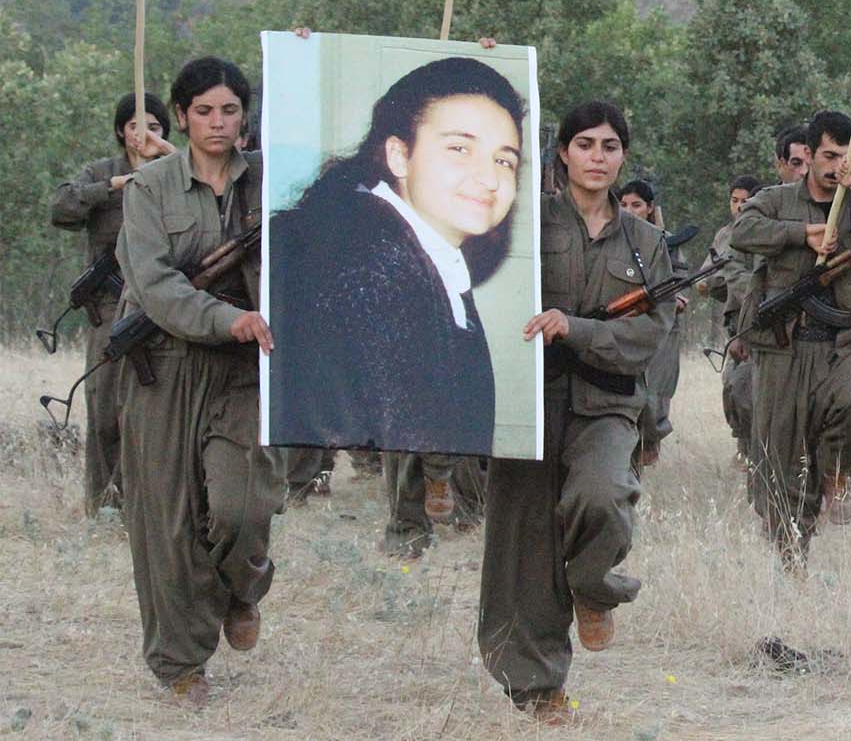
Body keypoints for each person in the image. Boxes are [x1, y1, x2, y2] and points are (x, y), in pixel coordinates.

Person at [477, 101, 671, 721]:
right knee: (524, 545)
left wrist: (577, 329)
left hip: (606, 401)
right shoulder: (522, 222)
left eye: (610, 146)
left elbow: (650, 334)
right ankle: (538, 687)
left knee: (604, 496)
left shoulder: (646, 243)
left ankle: (594, 587)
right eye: (585, 144)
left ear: (623, 156)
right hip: (529, 398)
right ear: (562, 153)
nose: (597, 157)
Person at [115, 57, 281, 706]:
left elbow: (340, 159)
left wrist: (306, 57)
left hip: (244, 368)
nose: (218, 123)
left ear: (244, 117)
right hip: (165, 365)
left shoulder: (270, 178)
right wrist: (224, 318)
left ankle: (241, 589)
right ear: (181, 116)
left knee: (245, 505)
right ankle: (181, 665)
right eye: (204, 111)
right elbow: (154, 283)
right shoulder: (149, 187)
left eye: (230, 110)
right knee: (168, 521)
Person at [269, 57, 528, 456]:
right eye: (460, 148)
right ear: (398, 155)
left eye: (503, 160)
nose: (490, 179)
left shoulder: (405, 247)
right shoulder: (371, 260)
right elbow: (401, 452)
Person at [731, 111, 851, 551]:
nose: (837, 166)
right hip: (785, 349)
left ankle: (837, 470)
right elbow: (743, 230)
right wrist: (802, 234)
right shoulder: (776, 200)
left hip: (848, 344)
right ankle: (791, 556)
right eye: (829, 156)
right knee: (781, 467)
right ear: (809, 155)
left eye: (846, 156)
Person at [50, 90, 172, 514]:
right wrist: (113, 187)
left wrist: (165, 162)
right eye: (136, 126)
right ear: (122, 131)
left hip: (162, 312)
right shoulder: (102, 172)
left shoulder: (175, 172)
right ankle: (104, 504)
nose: (144, 134)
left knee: (157, 415)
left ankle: (148, 506)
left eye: (154, 127)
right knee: (105, 410)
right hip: (109, 312)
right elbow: (61, 206)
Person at [616, 178, 688, 469]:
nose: (629, 210)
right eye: (623, 204)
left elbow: (680, 280)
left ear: (649, 208)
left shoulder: (664, 242)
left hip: (662, 327)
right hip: (625, 325)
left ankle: (650, 446)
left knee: (655, 395)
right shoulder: (613, 238)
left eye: (636, 205)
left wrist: (676, 299)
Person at [697, 175, 762, 465]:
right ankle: (745, 448)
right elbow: (706, 278)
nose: (739, 207)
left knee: (748, 390)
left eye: (745, 201)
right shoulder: (725, 235)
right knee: (734, 391)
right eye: (734, 201)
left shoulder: (762, 232)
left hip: (757, 321)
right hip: (736, 323)